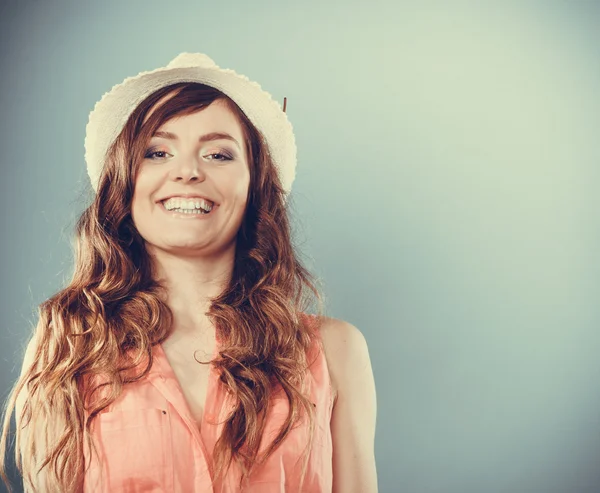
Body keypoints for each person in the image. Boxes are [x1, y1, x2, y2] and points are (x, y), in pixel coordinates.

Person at [0, 53, 377, 492]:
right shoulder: (68, 344)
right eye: (158, 152)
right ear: (126, 183)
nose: (188, 171)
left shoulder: (335, 351)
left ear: (255, 186)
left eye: (218, 154)